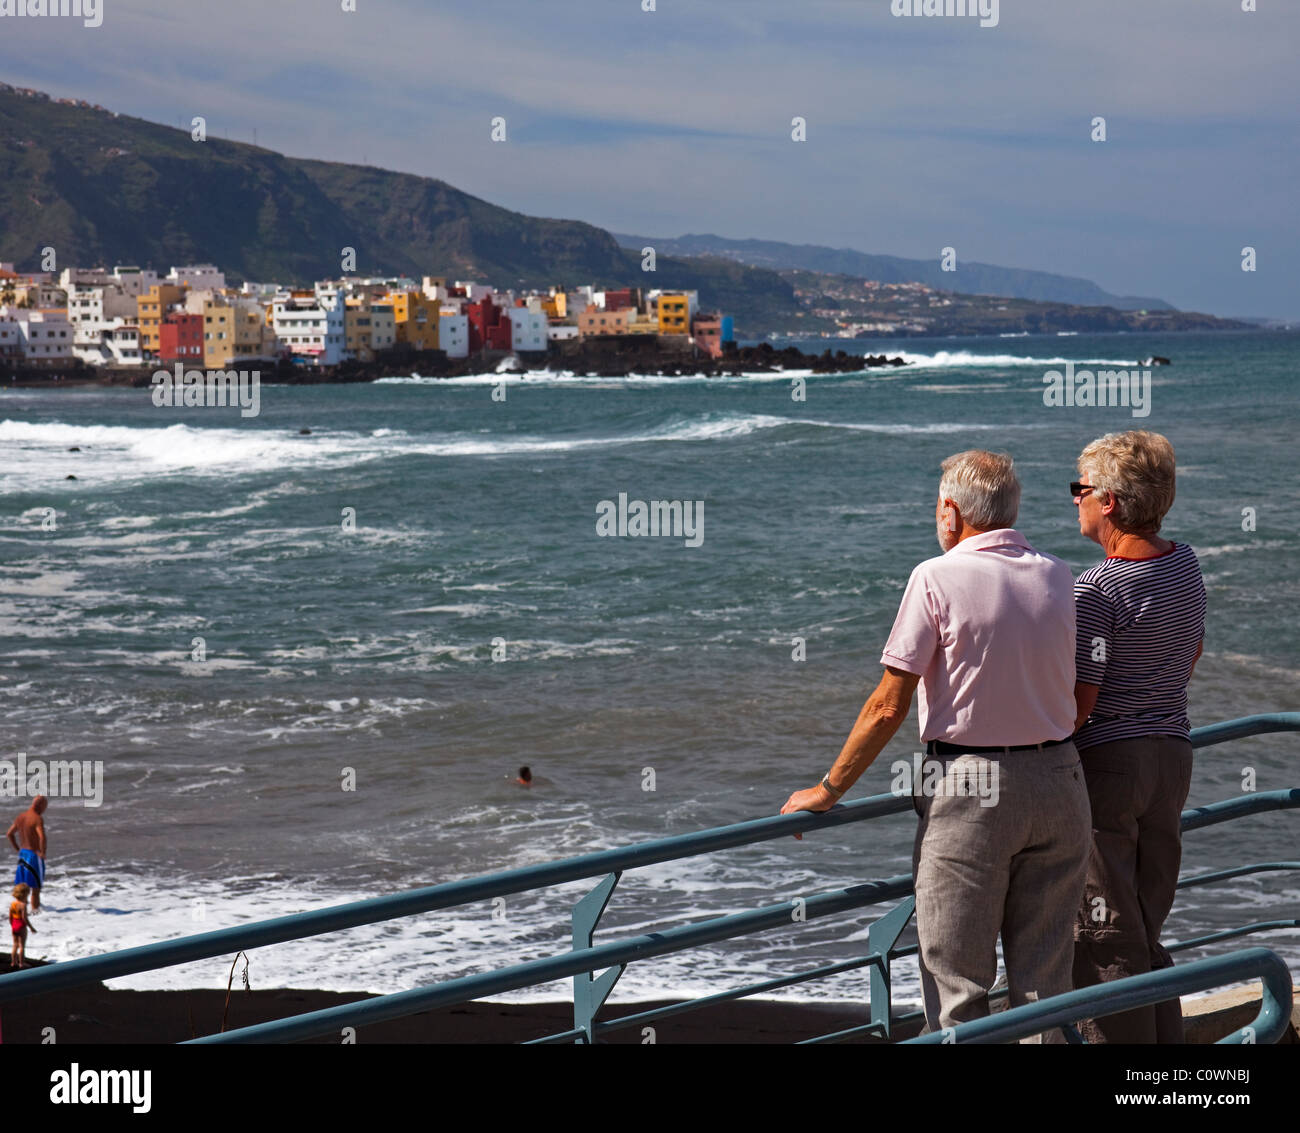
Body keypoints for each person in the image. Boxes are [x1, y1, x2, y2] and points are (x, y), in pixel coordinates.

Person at [781, 450, 1090, 1040]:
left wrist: (828, 790)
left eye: (936, 506)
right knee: (1047, 990)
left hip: (970, 785)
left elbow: (887, 704)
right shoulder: (1057, 573)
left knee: (958, 992)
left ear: (952, 511)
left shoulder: (936, 576)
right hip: (1060, 779)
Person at [1070, 430, 1206, 1043]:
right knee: (1145, 928)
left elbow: (1080, 705)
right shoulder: (1186, 563)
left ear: (1110, 504)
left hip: (1111, 767)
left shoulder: (1095, 590)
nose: (1074, 499)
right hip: (1172, 756)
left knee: (1107, 940)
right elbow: (1189, 655)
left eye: (1081, 489)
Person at [7, 795, 47, 912]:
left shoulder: (21, 817)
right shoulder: (37, 818)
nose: (45, 809)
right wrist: (43, 852)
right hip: (33, 855)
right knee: (35, 888)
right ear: (40, 805)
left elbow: (9, 834)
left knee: (22, 888)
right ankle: (35, 912)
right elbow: (42, 837)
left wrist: (17, 849)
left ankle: (19, 912)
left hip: (23, 854)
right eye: (45, 806)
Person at [10, 883, 36, 969]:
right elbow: (24, 918)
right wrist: (31, 928)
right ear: (24, 894)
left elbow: (10, 916)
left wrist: (12, 925)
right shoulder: (23, 905)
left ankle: (13, 962)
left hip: (14, 924)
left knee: (15, 944)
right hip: (21, 925)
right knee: (21, 945)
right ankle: (22, 963)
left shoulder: (13, 903)